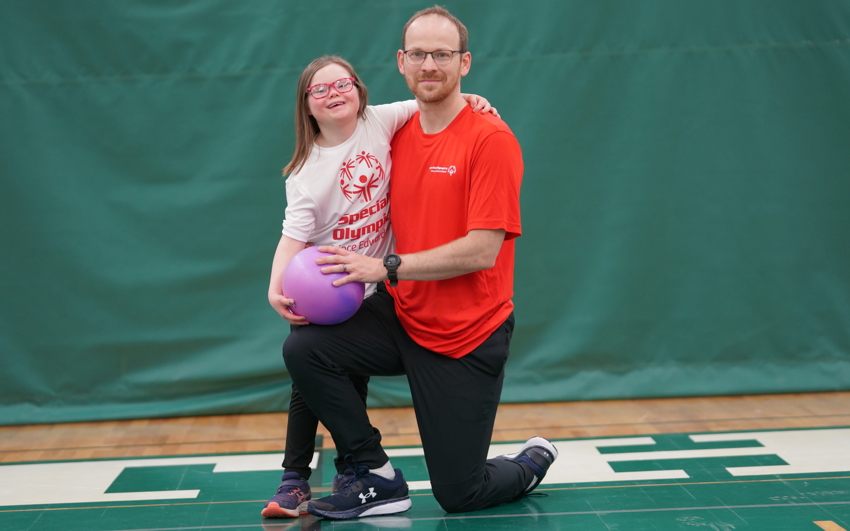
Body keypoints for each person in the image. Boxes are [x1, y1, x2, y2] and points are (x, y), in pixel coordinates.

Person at [279, 6, 559, 521]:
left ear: (464, 63)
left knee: (460, 494)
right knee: (306, 348)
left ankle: (531, 461)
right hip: (402, 314)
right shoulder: (393, 133)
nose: (430, 65)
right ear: (401, 62)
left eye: (442, 54)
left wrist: (385, 267)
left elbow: (482, 250)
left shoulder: (491, 139)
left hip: (466, 335)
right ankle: (375, 473)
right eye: (419, 54)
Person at [262, 55, 498, 518]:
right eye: (319, 90)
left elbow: (434, 102)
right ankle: (296, 478)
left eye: (342, 84)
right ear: (306, 106)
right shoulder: (307, 175)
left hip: (380, 289)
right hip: (331, 289)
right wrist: (275, 288)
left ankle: (355, 470)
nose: (334, 94)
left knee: (343, 376)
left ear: (359, 90)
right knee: (306, 367)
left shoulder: (381, 119)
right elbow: (291, 239)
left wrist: (473, 98)